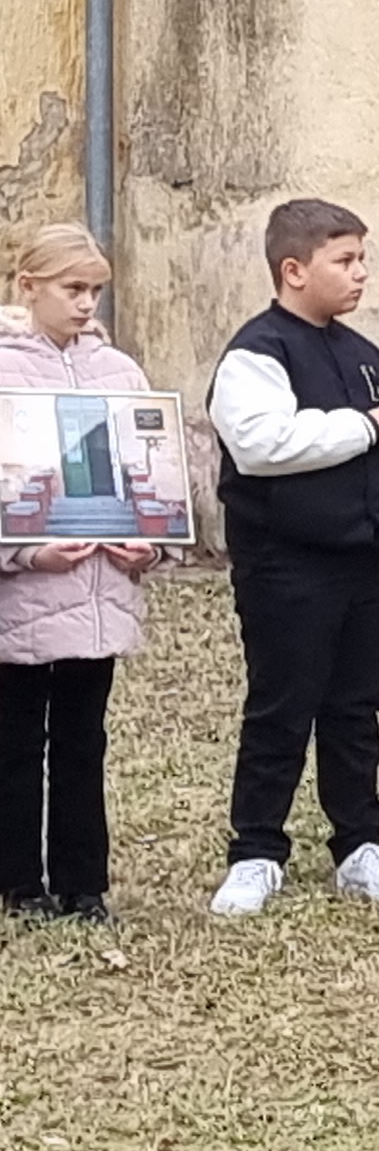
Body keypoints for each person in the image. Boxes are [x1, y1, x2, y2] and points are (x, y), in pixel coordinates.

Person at [207, 198, 379, 918]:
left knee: (356, 707)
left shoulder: (368, 358)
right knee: (281, 706)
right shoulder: (257, 353)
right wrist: (363, 426)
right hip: (287, 564)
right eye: (345, 260)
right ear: (294, 270)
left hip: (369, 558)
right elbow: (262, 444)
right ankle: (256, 850)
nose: (361, 273)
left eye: (362, 259)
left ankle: (360, 843)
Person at [0, 225, 163, 923]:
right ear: (27, 286)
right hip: (22, 596)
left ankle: (82, 882)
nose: (86, 303)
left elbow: (152, 471)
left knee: (82, 740)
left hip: (97, 590)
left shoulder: (119, 373)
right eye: (72, 288)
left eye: (94, 290)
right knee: (14, 743)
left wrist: (149, 545)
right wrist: (24, 554)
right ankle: (17, 882)